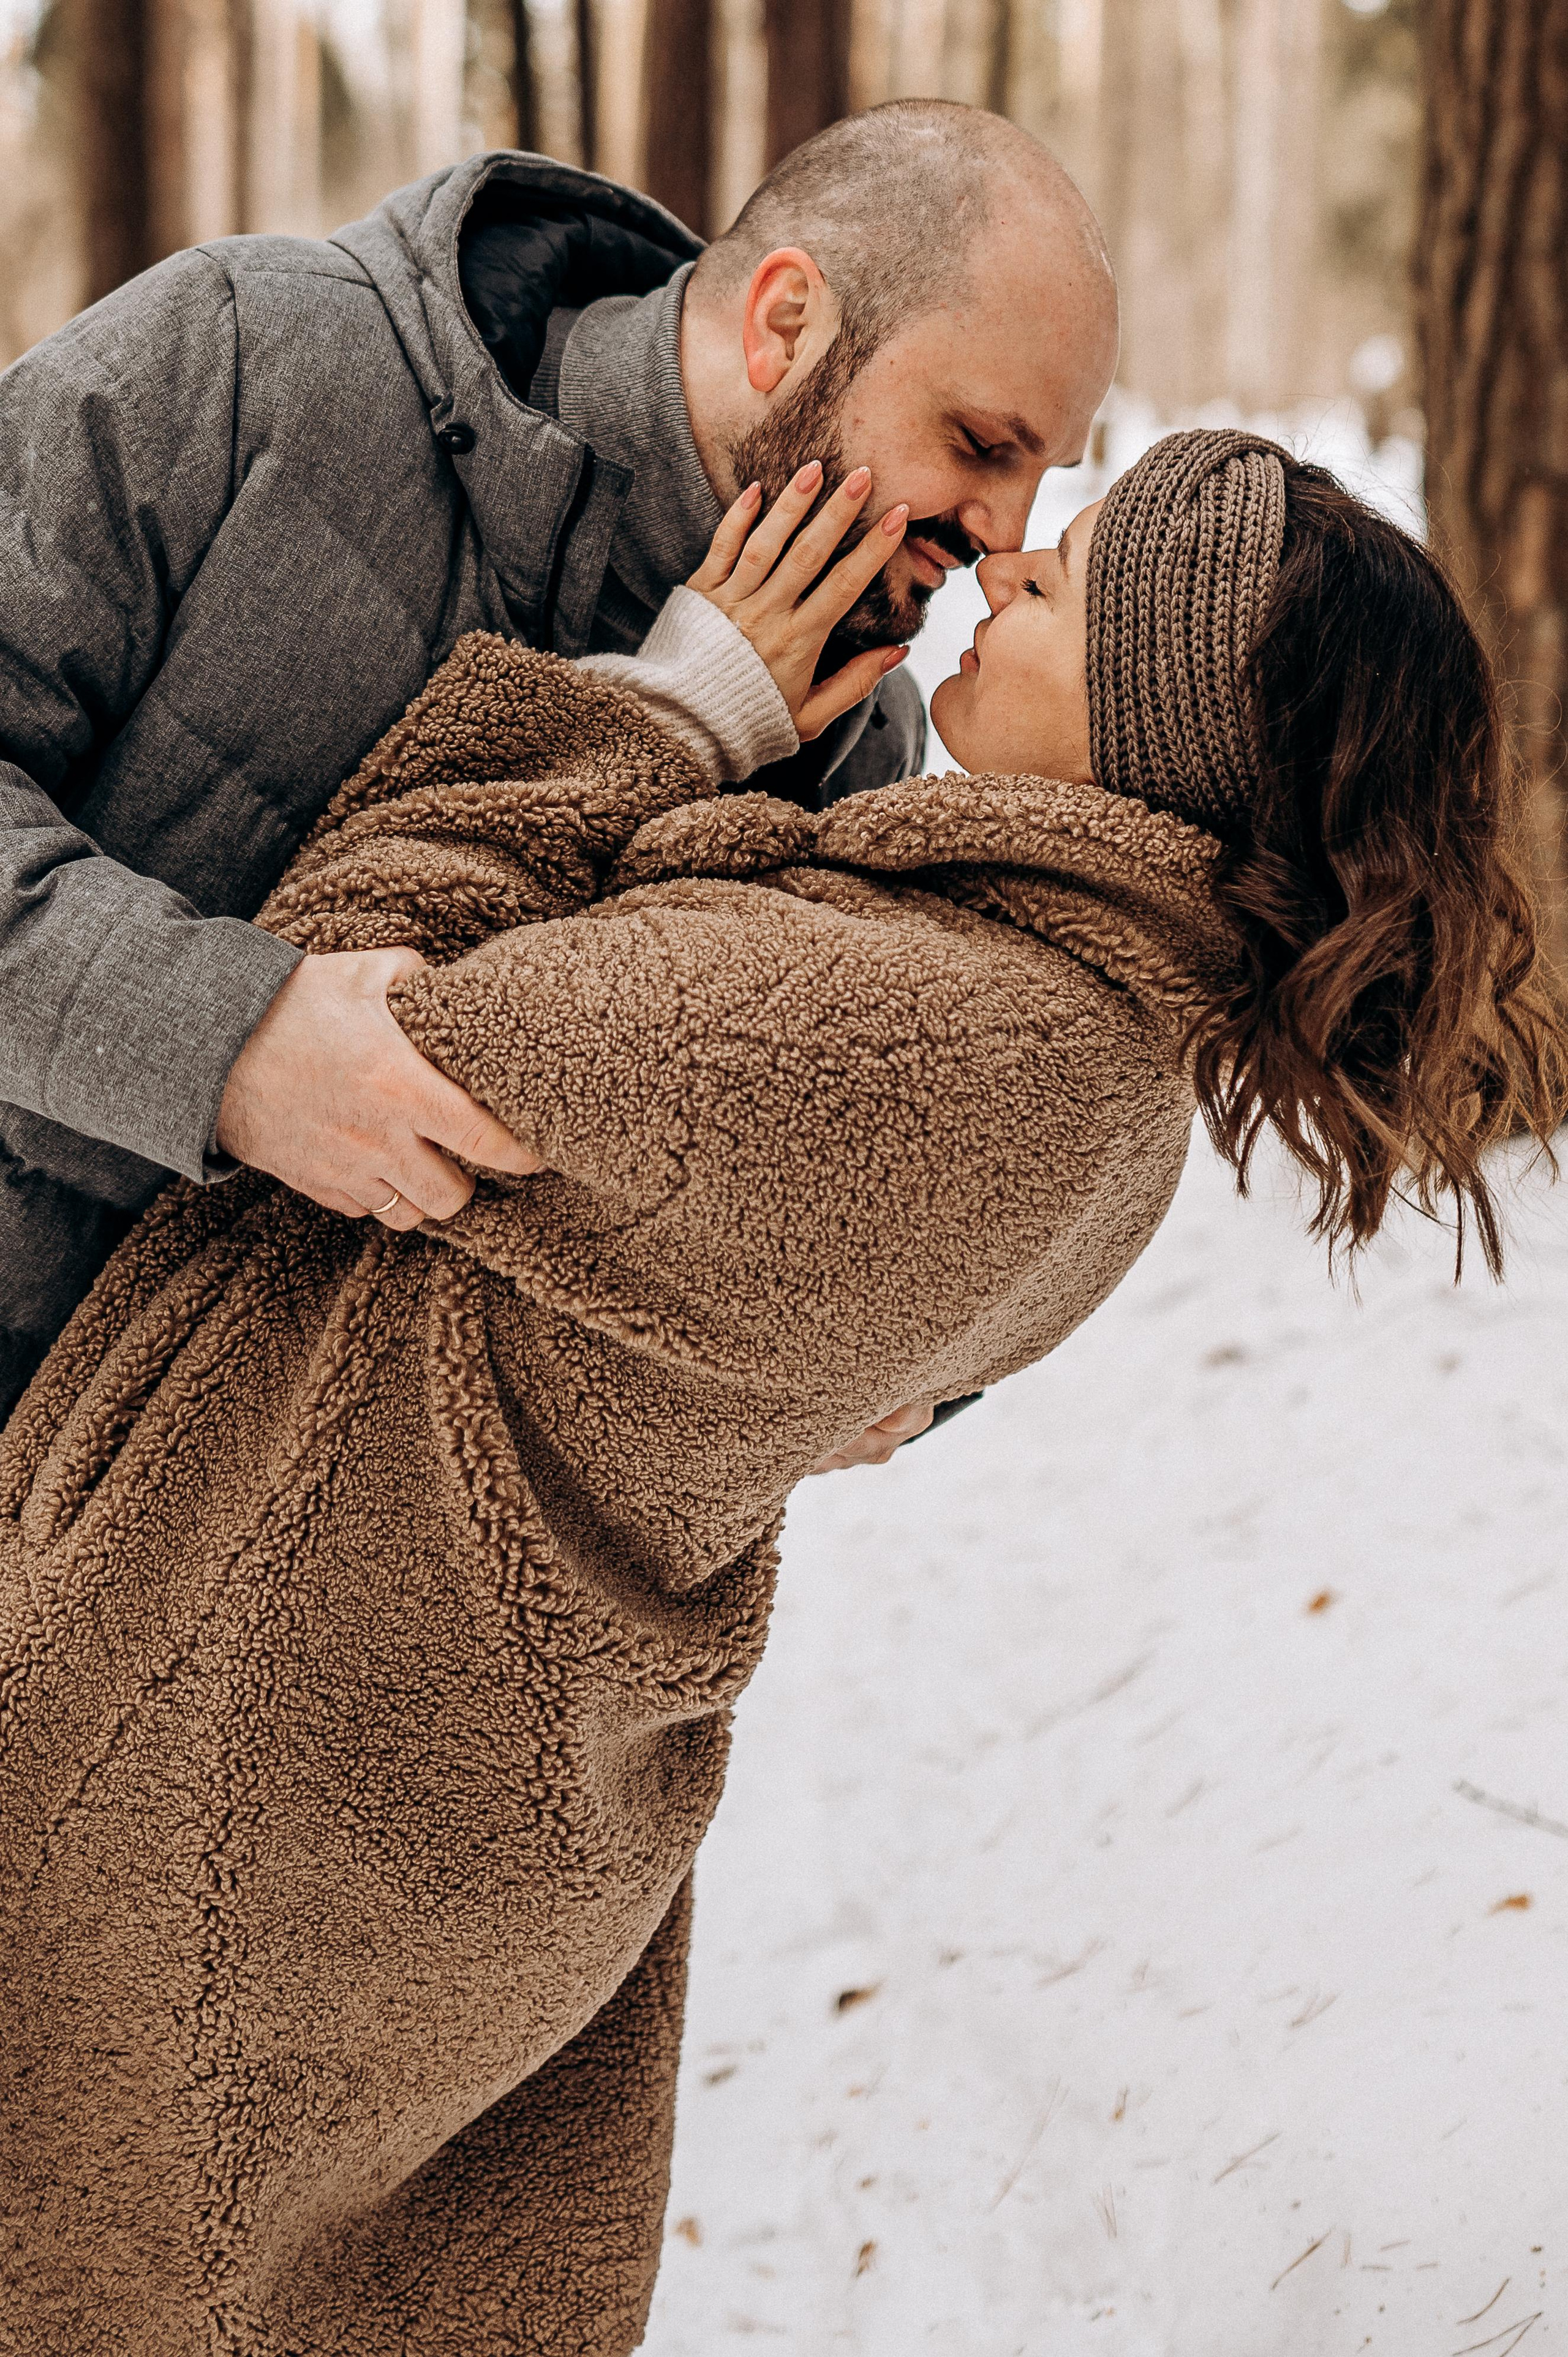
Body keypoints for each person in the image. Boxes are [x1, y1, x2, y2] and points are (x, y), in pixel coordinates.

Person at [2, 429, 1561, 2354]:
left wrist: (671, 711)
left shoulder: (922, 1035)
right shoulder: (1101, 1072)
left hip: (273, 1746)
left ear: (1161, 719)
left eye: (1062, 589)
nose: (1000, 582)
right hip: (453, 1771)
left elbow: (341, 1003)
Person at [0, 99, 1117, 1422]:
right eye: (980, 445)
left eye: (1041, 474)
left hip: (233, 1589)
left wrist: (881, 1381)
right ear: (784, 326)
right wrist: (231, 1045)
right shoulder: (256, 358)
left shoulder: (856, 751)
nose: (1001, 533)